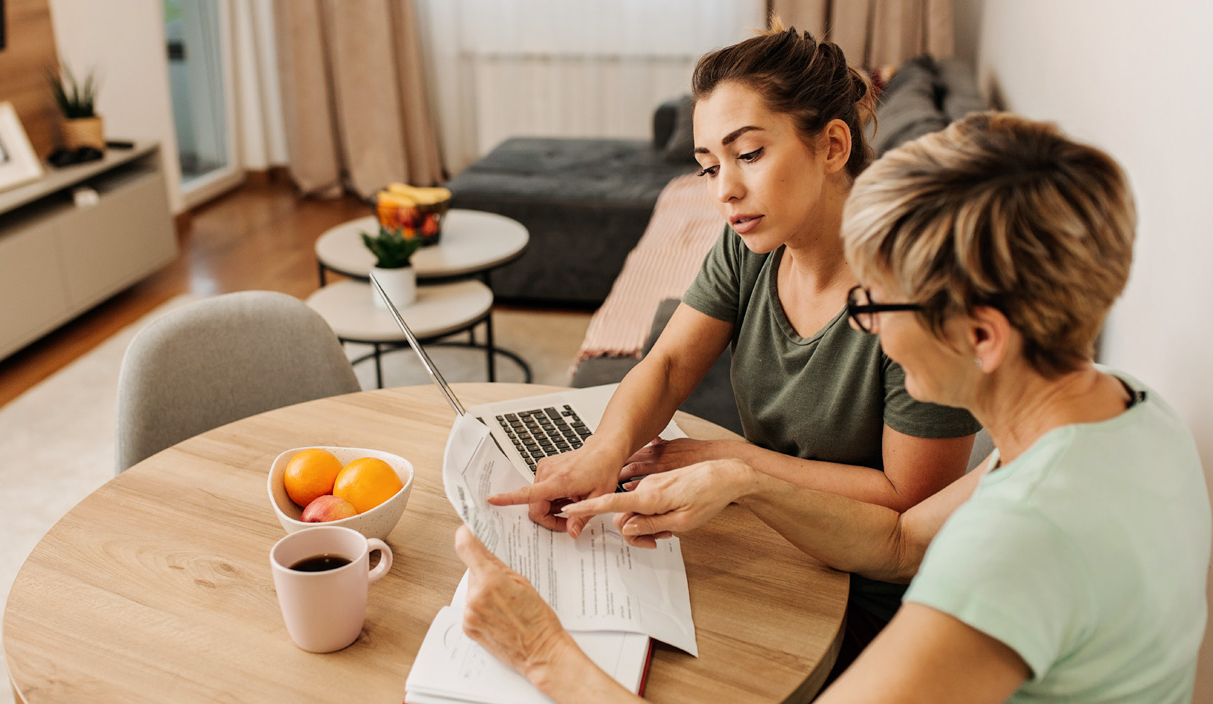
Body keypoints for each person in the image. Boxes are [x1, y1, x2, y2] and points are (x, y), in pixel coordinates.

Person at [455, 112, 1213, 702]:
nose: (865, 323)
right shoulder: (1129, 411)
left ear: (983, 335)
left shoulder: (1016, 549)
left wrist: (542, 654)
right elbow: (904, 543)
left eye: (879, 300)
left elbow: (979, 554)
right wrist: (741, 478)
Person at [490, 22, 980, 654]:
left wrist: (740, 464)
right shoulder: (752, 244)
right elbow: (668, 363)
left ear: (833, 146)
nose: (725, 191)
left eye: (748, 155)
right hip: (765, 534)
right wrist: (603, 451)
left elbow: (909, 505)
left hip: (871, 599)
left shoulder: (913, 299)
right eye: (709, 166)